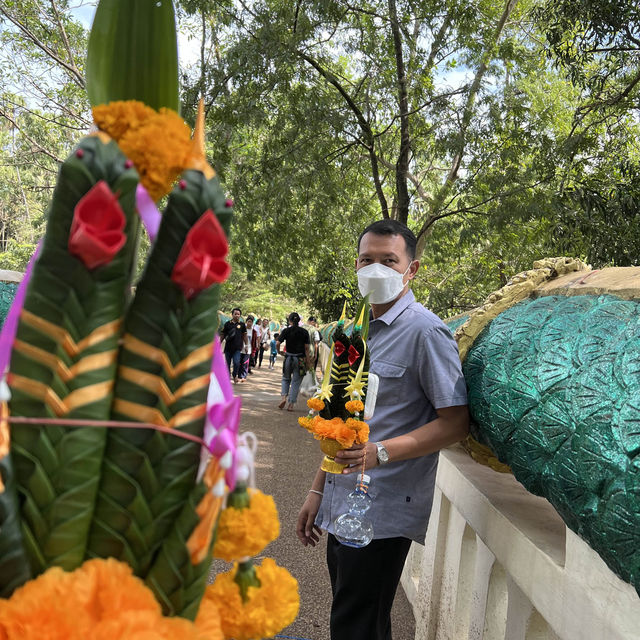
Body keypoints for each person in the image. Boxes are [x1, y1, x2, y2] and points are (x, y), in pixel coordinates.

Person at [296, 220, 469, 640]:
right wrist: (318, 489)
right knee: (360, 619)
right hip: (342, 499)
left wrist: (382, 452)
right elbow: (344, 425)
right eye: (367, 260)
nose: (376, 269)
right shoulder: (352, 333)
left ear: (412, 270)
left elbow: (456, 423)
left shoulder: (426, 332)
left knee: (354, 623)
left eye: (389, 260)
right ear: (355, 265)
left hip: (383, 508)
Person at [276, 312, 311, 411]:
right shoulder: (304, 332)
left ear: (290, 320)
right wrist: (308, 362)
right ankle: (291, 404)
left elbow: (278, 342)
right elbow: (307, 348)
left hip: (288, 358)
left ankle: (283, 398)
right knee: (296, 382)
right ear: (299, 321)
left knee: (286, 379)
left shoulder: (286, 330)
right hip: (300, 359)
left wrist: (280, 352)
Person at [220, 307, 248, 384]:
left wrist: (246, 345)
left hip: (237, 348)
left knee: (236, 362)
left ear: (240, 315)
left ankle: (234, 374)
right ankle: (227, 377)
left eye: (238, 314)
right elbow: (222, 334)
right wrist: (218, 344)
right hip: (228, 348)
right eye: (235, 314)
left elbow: (244, 336)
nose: (237, 315)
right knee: (227, 364)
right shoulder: (227, 324)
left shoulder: (242, 325)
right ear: (232, 315)